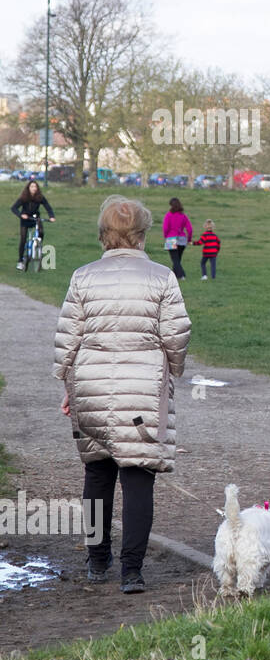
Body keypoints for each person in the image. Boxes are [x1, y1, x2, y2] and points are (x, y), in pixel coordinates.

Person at [54, 195, 191, 593]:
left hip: (91, 387)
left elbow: (67, 339)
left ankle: (98, 561)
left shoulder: (83, 276)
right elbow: (176, 334)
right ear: (143, 234)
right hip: (143, 391)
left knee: (97, 473)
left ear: (103, 234)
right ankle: (132, 570)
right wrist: (173, 372)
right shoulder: (162, 277)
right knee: (138, 476)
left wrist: (68, 386)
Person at [12, 179, 55, 270]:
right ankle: (20, 261)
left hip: (35, 219)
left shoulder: (40, 197)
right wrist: (21, 215)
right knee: (23, 239)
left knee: (41, 232)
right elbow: (14, 208)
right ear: (28, 188)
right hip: (25, 219)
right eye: (32, 187)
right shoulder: (23, 197)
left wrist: (51, 216)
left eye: (35, 187)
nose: (34, 188)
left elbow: (48, 207)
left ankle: (38, 248)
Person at [162, 197, 193, 280]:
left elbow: (165, 228)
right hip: (182, 239)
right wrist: (189, 239)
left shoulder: (168, 215)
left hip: (171, 238)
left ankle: (182, 275)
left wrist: (166, 237)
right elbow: (190, 229)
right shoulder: (183, 216)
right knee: (177, 260)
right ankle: (175, 276)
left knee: (175, 260)